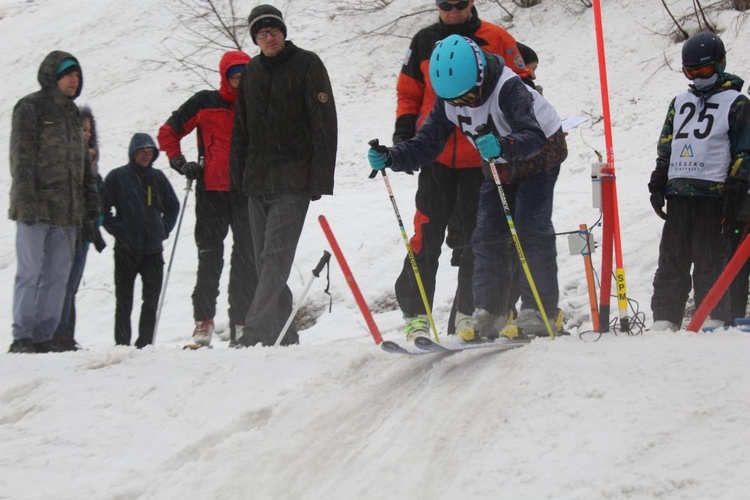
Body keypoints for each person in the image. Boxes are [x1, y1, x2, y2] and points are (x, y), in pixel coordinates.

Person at [368, 35, 567, 341]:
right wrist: (393, 157)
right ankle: (490, 311)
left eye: (468, 97)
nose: (465, 106)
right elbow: (427, 143)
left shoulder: (509, 88)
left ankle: (541, 311)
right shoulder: (450, 100)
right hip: (497, 159)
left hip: (539, 154)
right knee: (485, 233)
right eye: (456, 101)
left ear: (480, 75)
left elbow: (534, 134)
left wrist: (504, 144)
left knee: (530, 227)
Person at [391, 0, 530, 340]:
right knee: (426, 235)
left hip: (480, 160)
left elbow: (523, 86)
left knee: (474, 239)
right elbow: (409, 93)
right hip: (436, 155)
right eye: (445, 3)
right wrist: (404, 133)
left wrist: (512, 139)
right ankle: (416, 314)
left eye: (460, 3)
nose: (452, 10)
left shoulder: (496, 38)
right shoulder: (423, 41)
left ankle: (467, 314)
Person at [230, 4, 337, 347]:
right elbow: (240, 130)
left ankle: (256, 331)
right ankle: (285, 333)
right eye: (261, 33)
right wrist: (238, 179)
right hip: (257, 181)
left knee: (275, 257)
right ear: (255, 39)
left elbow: (324, 123)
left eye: (273, 30)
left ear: (283, 32)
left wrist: (320, 178)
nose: (269, 37)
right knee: (265, 263)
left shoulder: (307, 64)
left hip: (293, 179)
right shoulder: (251, 73)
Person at [648, 32, 750, 331]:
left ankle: (714, 318)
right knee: (671, 260)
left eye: (703, 71)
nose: (697, 77)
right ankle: (665, 319)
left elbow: (745, 149)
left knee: (711, 260)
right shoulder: (680, 101)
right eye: (690, 72)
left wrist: (737, 185)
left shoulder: (738, 102)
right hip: (679, 192)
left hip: (714, 193)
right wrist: (659, 178)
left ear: (720, 64)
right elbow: (667, 144)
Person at [158, 50, 255, 347]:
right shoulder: (205, 102)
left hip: (246, 191)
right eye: (233, 75)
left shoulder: (257, 103)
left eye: (244, 75)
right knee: (209, 258)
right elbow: (168, 132)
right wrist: (179, 162)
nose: (239, 81)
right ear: (224, 76)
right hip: (211, 190)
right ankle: (203, 323)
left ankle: (241, 322)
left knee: (245, 260)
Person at [8, 51, 100, 354]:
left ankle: (45, 335)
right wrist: (27, 200)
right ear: (53, 75)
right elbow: (21, 158)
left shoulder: (74, 114)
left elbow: (83, 165)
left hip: (68, 212)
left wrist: (90, 205)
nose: (74, 79)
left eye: (77, 74)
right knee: (30, 273)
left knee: (58, 277)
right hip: (35, 207)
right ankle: (23, 336)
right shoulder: (30, 107)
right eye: (68, 73)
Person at [101, 133, 180, 348]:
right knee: (124, 300)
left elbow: (173, 206)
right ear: (132, 153)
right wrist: (120, 231)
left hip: (153, 250)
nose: (145, 156)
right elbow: (103, 209)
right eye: (141, 152)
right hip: (127, 249)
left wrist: (163, 230)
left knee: (151, 300)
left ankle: (145, 343)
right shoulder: (117, 177)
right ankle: (122, 344)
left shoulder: (158, 178)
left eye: (149, 152)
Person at [52, 106, 107, 351]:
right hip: (67, 229)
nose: (86, 134)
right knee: (62, 284)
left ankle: (66, 335)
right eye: (81, 129)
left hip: (84, 232)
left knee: (71, 286)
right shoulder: (67, 160)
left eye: (88, 130)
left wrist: (96, 223)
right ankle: (57, 334)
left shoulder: (93, 165)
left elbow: (98, 200)